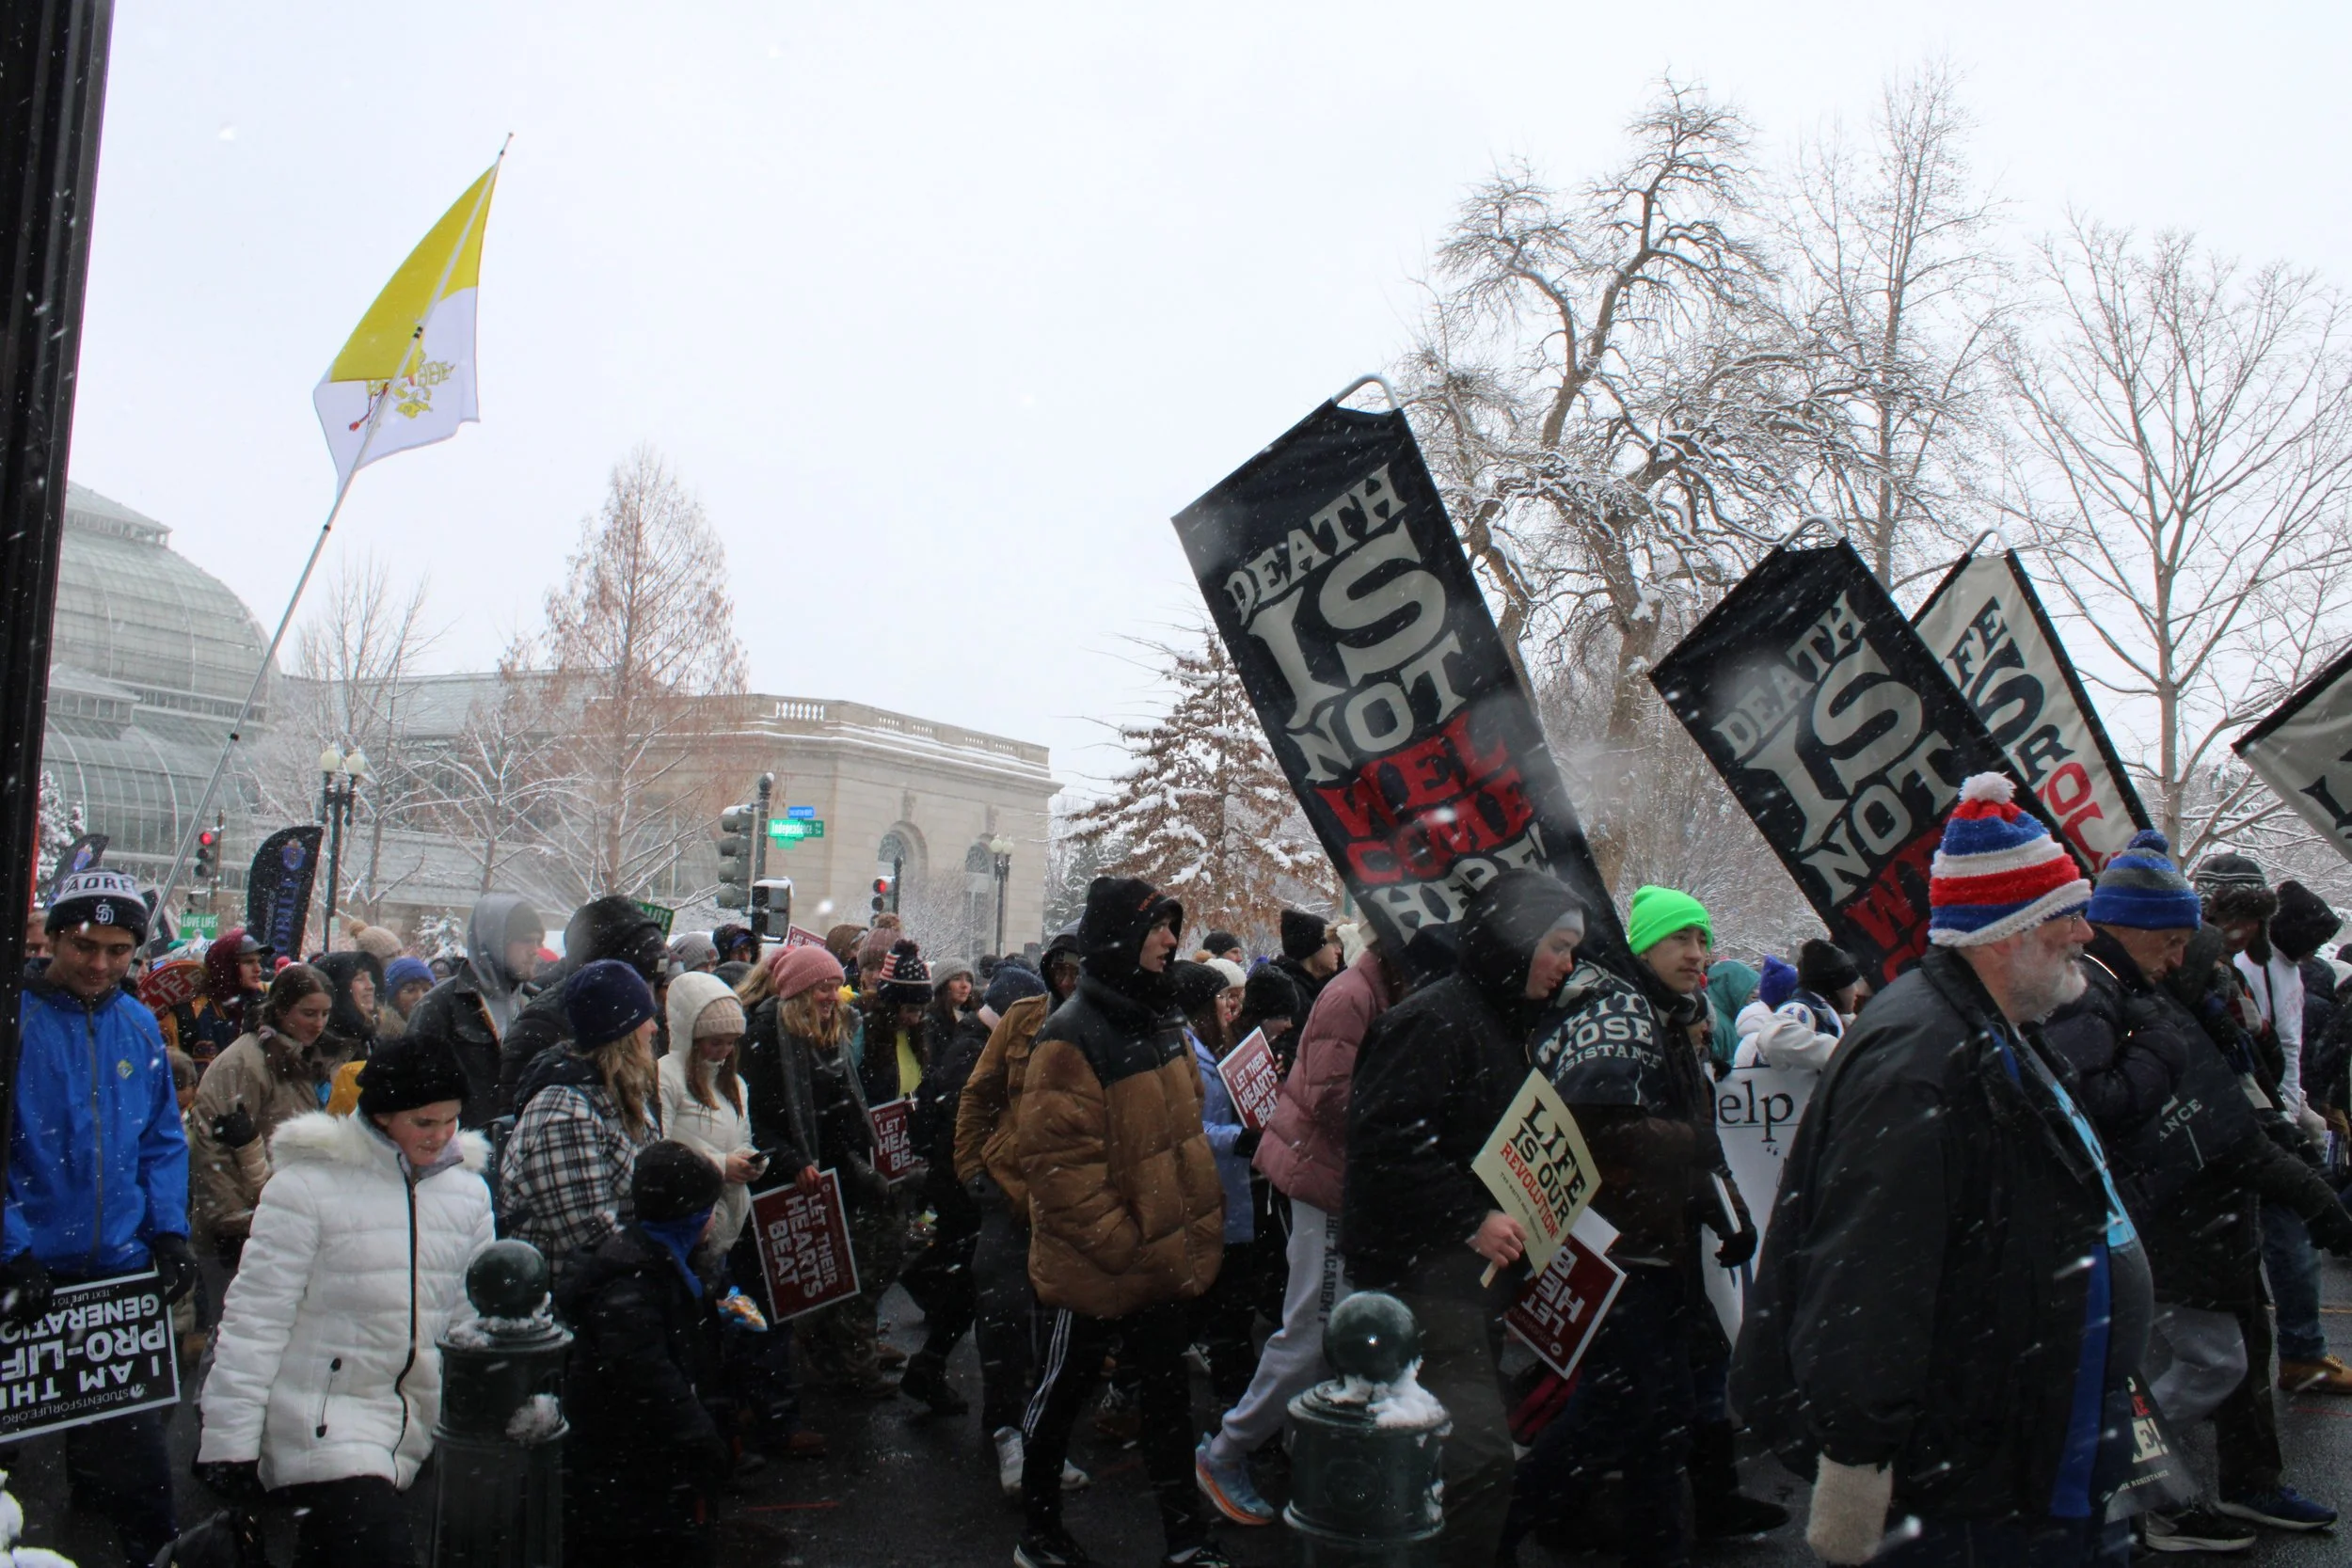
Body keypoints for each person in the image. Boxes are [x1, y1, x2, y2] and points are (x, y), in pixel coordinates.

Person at [1736, 775, 2149, 1566]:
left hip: (2016, 1445)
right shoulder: (1922, 1060)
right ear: (2006, 934)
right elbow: (1866, 1277)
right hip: (1966, 1482)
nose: (2085, 936)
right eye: (2064, 917)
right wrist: (1858, 1459)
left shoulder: (1988, 1027)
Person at [2043, 829, 2352, 1546]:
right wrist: (2165, 1052)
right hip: (2170, 1215)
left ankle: (2177, 1492)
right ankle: (2125, 1478)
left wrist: (2254, 1064)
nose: (2192, 958)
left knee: (2203, 1357)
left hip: (2189, 1212)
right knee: (2209, 1362)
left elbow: (2242, 1097)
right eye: (2182, 944)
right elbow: (2099, 1109)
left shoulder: (2161, 994)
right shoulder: (2110, 997)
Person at [1510, 885, 1774, 1563]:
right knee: (1617, 1410)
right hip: (1616, 1253)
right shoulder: (1618, 1011)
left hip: (1661, 1250)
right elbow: (1602, 1127)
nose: (1699, 954)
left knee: (1660, 1415)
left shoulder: (1673, 1016)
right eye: (1681, 940)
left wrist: (1728, 1212)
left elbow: (1699, 1135)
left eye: (1703, 939)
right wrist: (1684, 1142)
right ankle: (1500, 1524)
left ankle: (1651, 1541)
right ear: (1644, 947)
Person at [1343, 871, 1582, 1568]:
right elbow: (1383, 1146)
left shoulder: (1499, 1019)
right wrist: (1469, 1218)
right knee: (1474, 1461)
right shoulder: (1436, 1019)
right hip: (1417, 1287)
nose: (1567, 965)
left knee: (1446, 1463)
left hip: (1459, 1286)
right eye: (1559, 946)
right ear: (1514, 941)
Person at [193, 1032, 491, 1568]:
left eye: (451, 1119)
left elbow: (470, 1317)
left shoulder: (467, 1192)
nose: (442, 1135)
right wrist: (228, 1441)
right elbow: (256, 1318)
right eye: (423, 1122)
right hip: (324, 1419)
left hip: (416, 1422)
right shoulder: (307, 1188)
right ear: (380, 1116)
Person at [1012, 878, 1225, 1568]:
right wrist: (1127, 1243)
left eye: (1172, 925)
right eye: (1158, 927)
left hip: (1156, 1259)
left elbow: (1184, 1134)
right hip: (1097, 1265)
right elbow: (1058, 1167)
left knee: (1167, 1406)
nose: (1171, 939)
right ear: (1119, 938)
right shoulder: (1070, 1033)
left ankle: (1186, 1541)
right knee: (1062, 1393)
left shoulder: (1166, 1022)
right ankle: (1037, 1535)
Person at [2, 870, 193, 1568]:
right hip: (27, 1276)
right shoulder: (15, 1017)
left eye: (120, 950)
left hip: (113, 1279)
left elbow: (160, 1139)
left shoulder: (138, 1022)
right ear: (53, 936)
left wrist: (169, 1230)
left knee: (138, 1468)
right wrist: (11, 1246)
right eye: (86, 944)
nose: (102, 963)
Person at [1195, 932, 1404, 1527]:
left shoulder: (1375, 990)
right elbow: (1335, 1101)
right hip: (1327, 1185)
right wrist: (1413, 1114)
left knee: (1333, 1329)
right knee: (1313, 1332)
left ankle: (1300, 1447)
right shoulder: (1352, 996)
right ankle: (1226, 1452)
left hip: (1342, 1183)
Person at [2190, 855, 2350, 1396]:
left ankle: (2289, 1357)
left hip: (2270, 1116)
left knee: (2280, 1239)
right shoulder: (2217, 967)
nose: (2254, 929)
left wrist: (2300, 1103)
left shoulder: (2279, 968)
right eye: (2247, 916)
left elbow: (2286, 1046)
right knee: (2267, 1241)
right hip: (2234, 1125)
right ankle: (2257, 1369)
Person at [557, 1141, 731, 1568]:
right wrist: (702, 1440)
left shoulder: (654, 1260)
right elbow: (648, 1375)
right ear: (692, 1216)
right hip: (630, 1473)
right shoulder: (635, 1283)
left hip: (636, 1470)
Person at [955, 932, 1086, 1495]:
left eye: (1080, 967)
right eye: (1062, 966)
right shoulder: (1021, 1018)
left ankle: (1046, 1437)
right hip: (1008, 1194)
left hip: (1072, 1199)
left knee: (1062, 1329)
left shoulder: (1107, 1025)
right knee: (1003, 1312)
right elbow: (979, 1094)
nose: (1069, 978)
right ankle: (1007, 1427)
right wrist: (972, 1171)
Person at [499, 958, 660, 1286]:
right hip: (573, 1306)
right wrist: (664, 1259)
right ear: (622, 1032)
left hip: (617, 1296)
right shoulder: (562, 1110)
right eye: (646, 1018)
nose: (655, 1028)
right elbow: (588, 1234)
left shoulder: (615, 1090)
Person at [186, 964, 349, 1269]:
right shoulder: (245, 1062)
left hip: (288, 1219)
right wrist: (233, 1223)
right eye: (308, 1013)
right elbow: (214, 1150)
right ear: (282, 1010)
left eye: (325, 1014)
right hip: (247, 1227)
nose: (318, 1024)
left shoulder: (307, 1056)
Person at [1176, 960, 1266, 1409]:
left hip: (1226, 1199)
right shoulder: (1185, 1051)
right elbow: (1188, 1129)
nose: (1229, 1008)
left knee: (1222, 1311)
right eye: (1220, 1000)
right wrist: (1242, 1138)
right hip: (1210, 1200)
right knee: (1223, 1314)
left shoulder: (1211, 1046)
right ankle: (1237, 1413)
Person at [497, 896, 671, 1116]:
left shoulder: (641, 1018)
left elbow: (647, 1107)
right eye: (637, 978)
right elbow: (517, 1125)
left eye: (652, 981)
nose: (646, 994)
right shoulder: (542, 1025)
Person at [402, 893, 545, 1128]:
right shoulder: (440, 1006)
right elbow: (411, 1087)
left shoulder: (536, 1004)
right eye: (527, 940)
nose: (535, 950)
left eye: (539, 942)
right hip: (461, 1147)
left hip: (520, 1145)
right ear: (496, 940)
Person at [657, 971, 758, 1253]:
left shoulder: (735, 1084)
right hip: (685, 1218)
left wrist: (750, 1161)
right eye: (715, 1042)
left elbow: (742, 1139)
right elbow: (657, 1152)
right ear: (692, 1036)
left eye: (730, 1042)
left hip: (727, 1222)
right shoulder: (666, 1075)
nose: (724, 1051)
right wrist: (720, 1166)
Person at [157, 927, 264, 1070]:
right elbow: (167, 1073)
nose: (259, 969)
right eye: (248, 962)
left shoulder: (266, 1009)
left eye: (259, 961)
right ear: (227, 966)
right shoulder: (187, 1015)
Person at [1272, 909, 1340, 1033]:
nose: (1338, 951)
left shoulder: (1314, 988)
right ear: (1313, 948)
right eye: (1332, 943)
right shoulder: (1290, 994)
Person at [382, 955, 435, 1029]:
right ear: (393, 999)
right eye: (410, 990)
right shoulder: (385, 1037)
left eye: (426, 990)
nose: (420, 997)